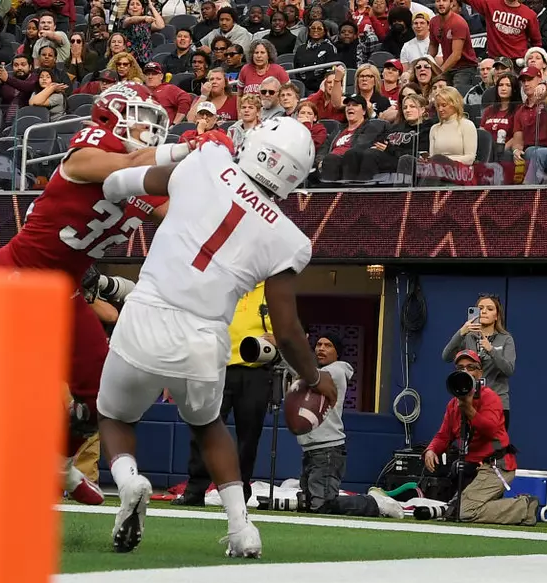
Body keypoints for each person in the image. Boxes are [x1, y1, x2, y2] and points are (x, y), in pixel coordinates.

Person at [96, 118, 337, 557]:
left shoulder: (209, 159)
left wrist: (108, 184)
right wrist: (312, 375)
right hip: (205, 336)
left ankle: (130, 481)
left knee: (114, 416)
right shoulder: (290, 239)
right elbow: (286, 329)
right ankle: (241, 528)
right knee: (208, 428)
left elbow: (128, 180)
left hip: (147, 312)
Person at [0, 82, 210, 506]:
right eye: (141, 119)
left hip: (63, 289)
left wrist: (223, 176)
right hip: (19, 278)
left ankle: (58, 469)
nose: (149, 130)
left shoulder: (139, 175)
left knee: (98, 389)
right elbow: (130, 161)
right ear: (110, 116)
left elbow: (184, 215)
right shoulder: (87, 154)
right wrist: (187, 149)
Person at [172, 281, 276, 506]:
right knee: (205, 428)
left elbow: (289, 329)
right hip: (216, 368)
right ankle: (195, 490)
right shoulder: (220, 285)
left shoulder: (271, 289)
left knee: (248, 436)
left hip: (255, 372)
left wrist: (278, 340)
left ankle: (239, 492)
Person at [423, 350, 537, 525]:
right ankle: (498, 505)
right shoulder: (453, 404)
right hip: (472, 468)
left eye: (471, 367)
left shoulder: (490, 397)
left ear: (480, 373)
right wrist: (431, 450)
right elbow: (443, 435)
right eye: (461, 368)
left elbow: (490, 430)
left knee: (463, 511)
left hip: (496, 466)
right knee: (455, 510)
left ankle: (522, 506)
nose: (466, 372)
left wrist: (468, 409)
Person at [297, 333, 404, 518]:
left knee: (323, 505)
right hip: (312, 449)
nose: (321, 348)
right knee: (308, 504)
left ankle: (374, 504)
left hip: (327, 450)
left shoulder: (337, 371)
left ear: (338, 353)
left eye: (328, 345)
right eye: (319, 344)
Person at [442, 294, 516, 427]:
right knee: (469, 446)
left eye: (490, 308)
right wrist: (461, 332)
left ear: (497, 316)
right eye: (480, 308)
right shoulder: (467, 337)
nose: (484, 311)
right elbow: (446, 356)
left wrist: (491, 350)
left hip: (497, 403)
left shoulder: (506, 339)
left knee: (495, 446)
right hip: (470, 402)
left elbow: (509, 370)